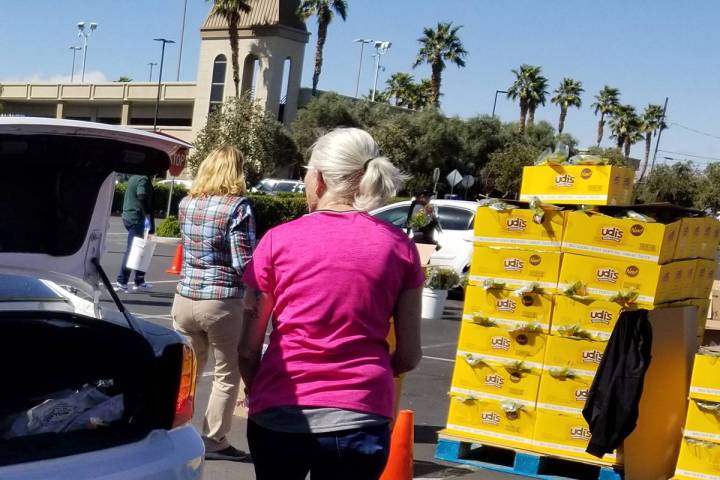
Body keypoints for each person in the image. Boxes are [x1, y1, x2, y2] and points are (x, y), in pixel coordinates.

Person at [240, 128, 423, 480]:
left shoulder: (278, 241)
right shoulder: (399, 247)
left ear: (320, 179)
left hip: (281, 407)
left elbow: (248, 350)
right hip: (361, 412)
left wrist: (257, 386)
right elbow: (410, 354)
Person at [171, 145, 256, 462]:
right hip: (221, 300)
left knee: (187, 371)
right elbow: (243, 262)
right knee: (226, 373)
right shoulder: (238, 207)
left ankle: (174, 427)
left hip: (185, 296)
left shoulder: (186, 203)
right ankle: (215, 438)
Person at [116, 174, 154, 292]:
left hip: (129, 216)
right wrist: (147, 213)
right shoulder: (143, 178)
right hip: (136, 218)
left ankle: (139, 280)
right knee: (133, 250)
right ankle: (122, 281)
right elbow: (141, 194)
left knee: (141, 249)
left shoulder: (134, 176)